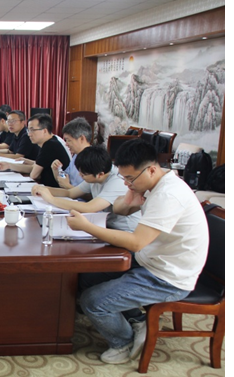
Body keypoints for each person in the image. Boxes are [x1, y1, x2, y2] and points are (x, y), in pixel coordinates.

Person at [68, 139, 209, 364]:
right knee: (86, 278)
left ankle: (122, 342)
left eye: (130, 178)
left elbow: (136, 242)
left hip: (168, 277)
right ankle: (138, 320)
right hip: (151, 259)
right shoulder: (155, 184)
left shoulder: (168, 195)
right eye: (123, 178)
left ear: (151, 170)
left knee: (92, 301)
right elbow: (120, 209)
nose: (126, 183)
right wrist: (130, 195)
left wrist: (86, 226)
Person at [32, 145, 141, 232]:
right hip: (105, 225)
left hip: (123, 230)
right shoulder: (96, 170)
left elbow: (89, 207)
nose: (80, 176)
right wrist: (43, 189)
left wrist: (51, 199)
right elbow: (70, 193)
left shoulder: (117, 182)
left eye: (83, 174)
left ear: (100, 174)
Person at [0, 114, 69, 186]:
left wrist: (10, 165)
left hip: (52, 189)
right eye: (28, 130)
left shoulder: (49, 145)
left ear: (44, 131)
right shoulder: (51, 141)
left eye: (32, 130)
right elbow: (41, 165)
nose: (29, 134)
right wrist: (31, 163)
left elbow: (34, 175)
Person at [54, 117, 93, 189]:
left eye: (69, 140)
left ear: (81, 138)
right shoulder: (76, 155)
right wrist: (56, 169)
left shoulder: (93, 159)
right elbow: (64, 180)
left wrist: (68, 186)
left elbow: (91, 194)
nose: (66, 144)